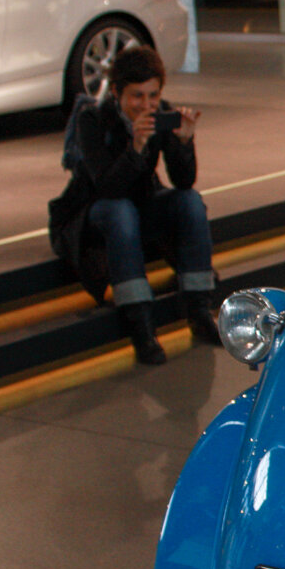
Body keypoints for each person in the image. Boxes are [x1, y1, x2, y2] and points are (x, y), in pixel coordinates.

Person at [48, 46, 217, 365]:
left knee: (190, 202)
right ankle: (140, 324)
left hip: (140, 206)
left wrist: (184, 143)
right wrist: (136, 147)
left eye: (153, 95)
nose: (147, 105)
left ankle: (199, 310)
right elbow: (107, 189)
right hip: (93, 212)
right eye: (137, 96)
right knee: (120, 211)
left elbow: (183, 182)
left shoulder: (160, 114)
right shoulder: (92, 119)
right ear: (116, 93)